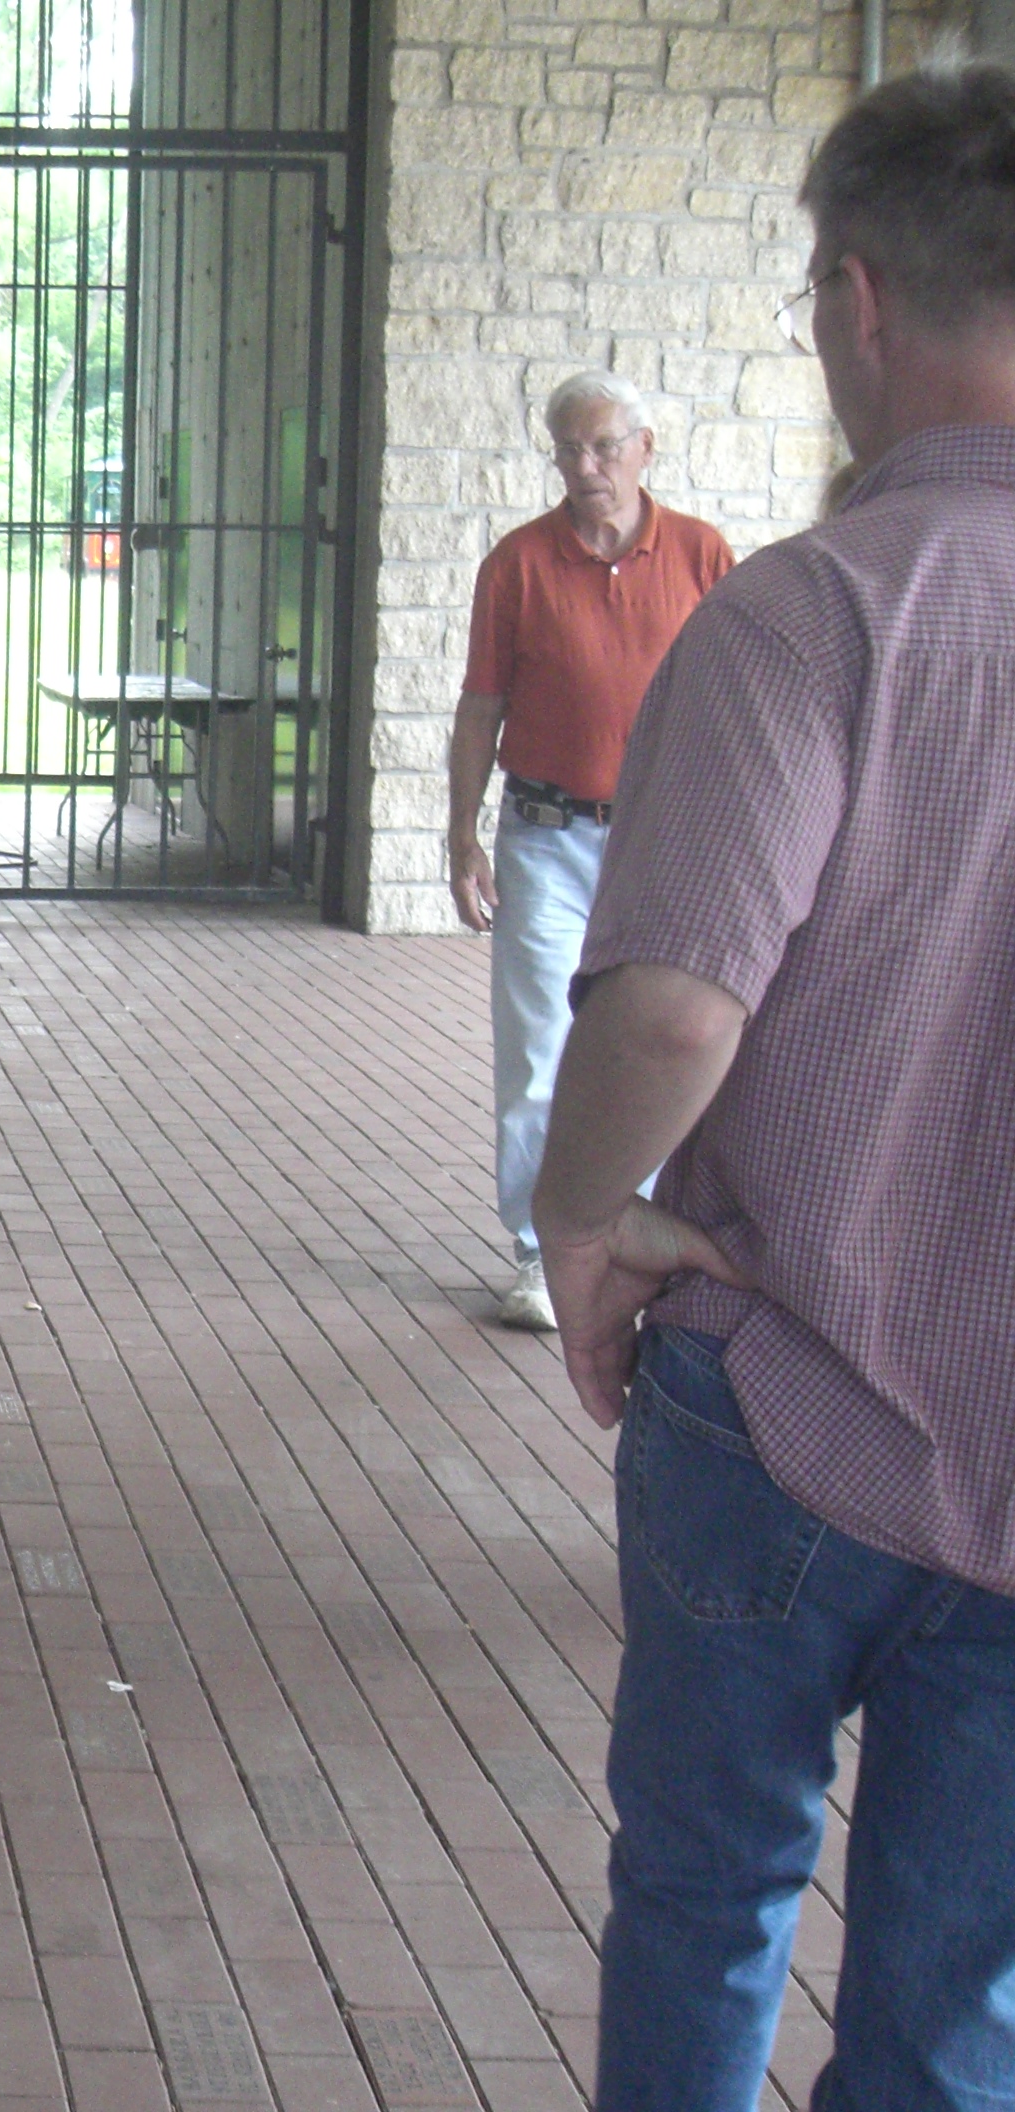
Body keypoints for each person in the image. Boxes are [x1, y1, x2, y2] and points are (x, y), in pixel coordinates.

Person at [533, 62, 1015, 2111]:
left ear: (857, 299)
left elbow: (669, 1009)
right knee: (959, 1998)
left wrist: (578, 1220)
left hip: (779, 1399)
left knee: (709, 1895)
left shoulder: (812, 611)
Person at [447, 373, 733, 1331]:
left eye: (604, 445)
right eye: (567, 448)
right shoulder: (518, 564)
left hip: (660, 838)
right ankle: (540, 1251)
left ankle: (628, 1234)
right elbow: (481, 707)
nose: (585, 465)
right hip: (545, 836)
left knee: (653, 1041)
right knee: (539, 1048)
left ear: (646, 446)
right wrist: (461, 835)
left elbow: (736, 701)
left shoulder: (701, 555)